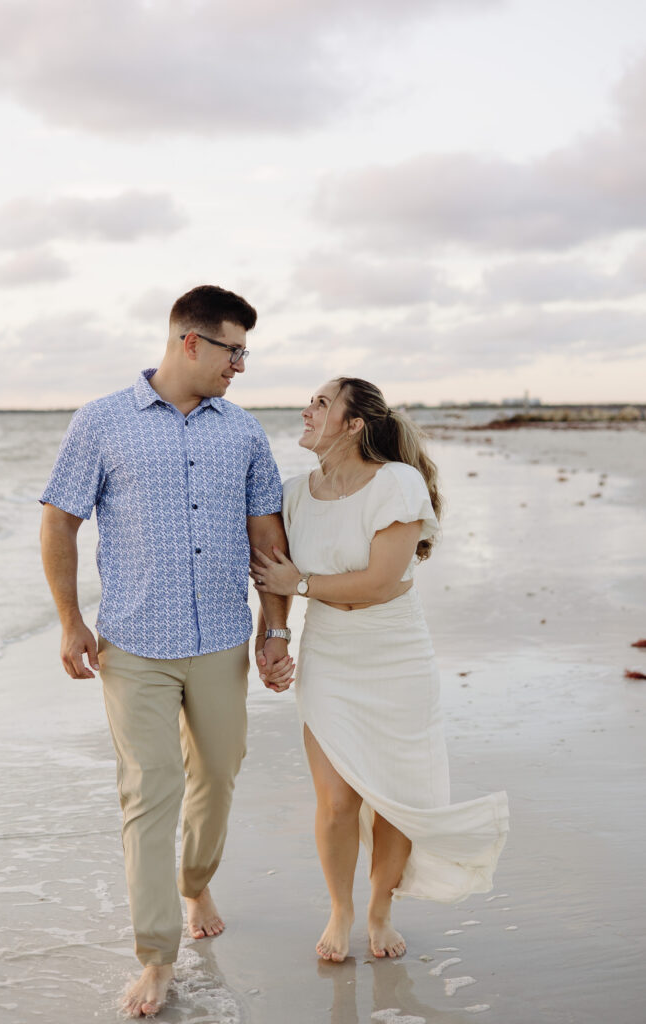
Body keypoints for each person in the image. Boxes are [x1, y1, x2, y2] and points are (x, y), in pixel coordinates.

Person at [39, 285, 294, 1019]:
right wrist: (69, 621)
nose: (240, 365)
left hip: (219, 638)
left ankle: (196, 880)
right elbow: (60, 524)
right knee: (149, 793)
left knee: (216, 775)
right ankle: (155, 957)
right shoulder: (101, 421)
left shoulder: (243, 432)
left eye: (245, 351)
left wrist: (275, 632)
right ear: (190, 342)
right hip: (134, 644)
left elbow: (268, 541)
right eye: (232, 349)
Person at [251, 377, 509, 963]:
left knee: (393, 797)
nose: (306, 410)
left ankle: (379, 909)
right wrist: (274, 635)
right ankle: (341, 910)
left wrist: (304, 583)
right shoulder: (294, 493)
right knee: (336, 802)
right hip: (331, 655)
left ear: (353, 424)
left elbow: (380, 580)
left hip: (395, 654)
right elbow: (274, 578)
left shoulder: (397, 482)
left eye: (321, 403)